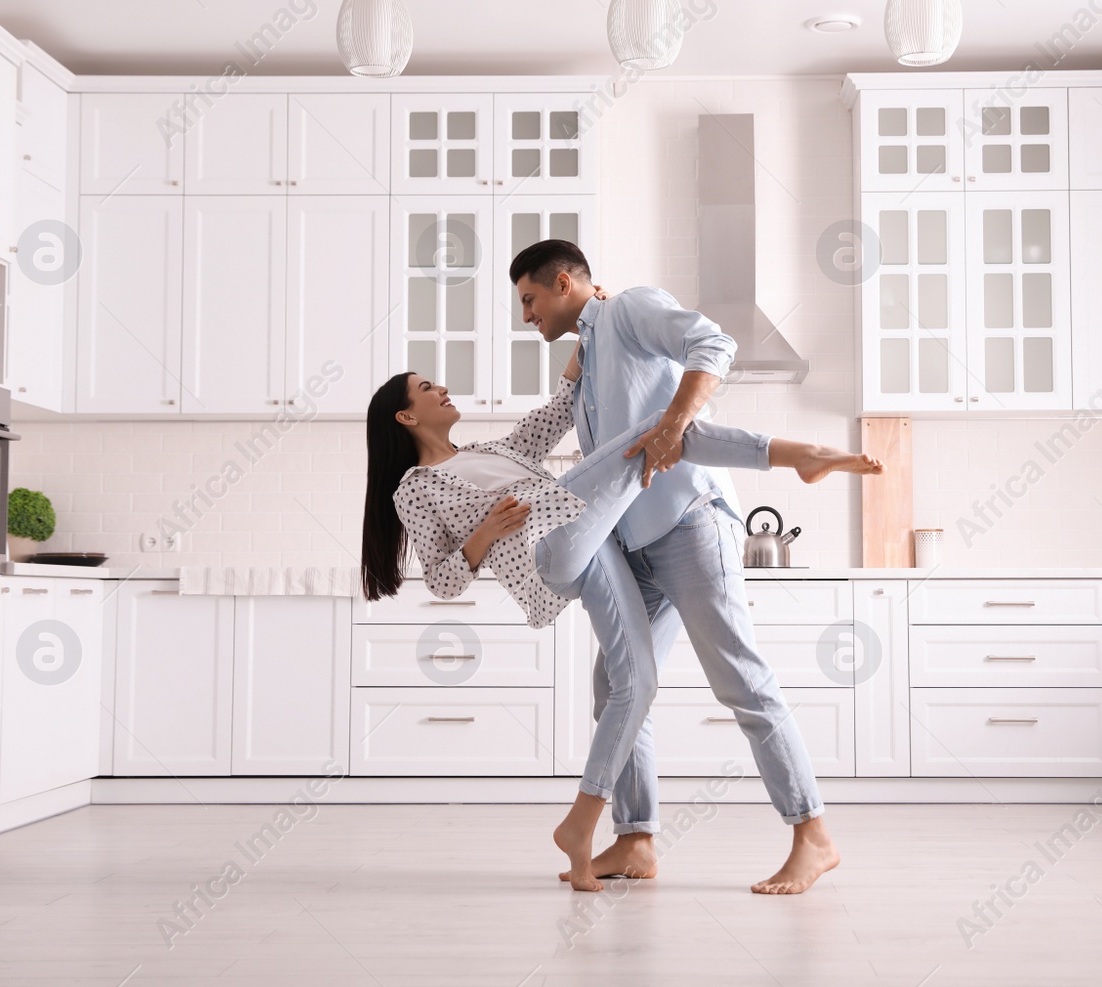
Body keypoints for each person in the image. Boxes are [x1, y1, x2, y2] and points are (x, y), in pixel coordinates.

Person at [360, 338, 881, 893]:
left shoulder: (495, 450)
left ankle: (632, 840)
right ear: (406, 415)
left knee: (619, 685)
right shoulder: (415, 487)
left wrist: (586, 346)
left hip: (592, 534)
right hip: (554, 542)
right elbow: (442, 579)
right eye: (426, 387)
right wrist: (486, 531)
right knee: (653, 429)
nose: (441, 388)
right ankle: (795, 454)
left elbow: (554, 416)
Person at [508, 239, 853, 895]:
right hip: (637, 543)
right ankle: (636, 838)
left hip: (690, 521)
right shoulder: (588, 363)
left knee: (739, 678)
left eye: (529, 299)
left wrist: (675, 418)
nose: (526, 315)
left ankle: (813, 834)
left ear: (560, 282)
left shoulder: (630, 308)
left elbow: (714, 344)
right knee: (615, 683)